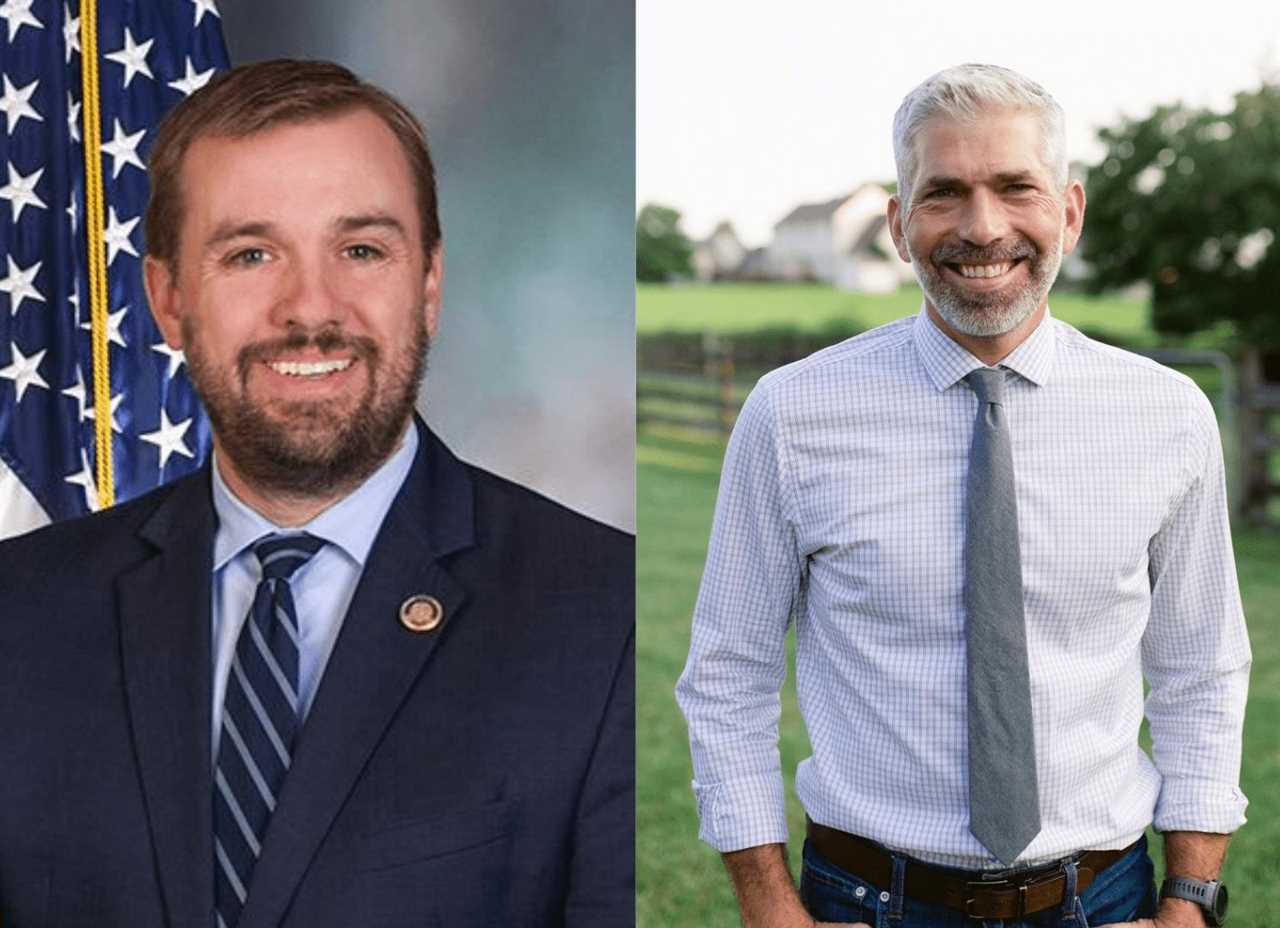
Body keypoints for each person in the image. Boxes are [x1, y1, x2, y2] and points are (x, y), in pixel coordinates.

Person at [0, 60, 633, 928]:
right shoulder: (19, 610)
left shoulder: (605, 616)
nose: (310, 308)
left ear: (430, 285)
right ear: (168, 300)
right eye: (251, 254)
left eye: (362, 249)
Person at [677, 64, 1248, 928]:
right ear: (901, 225)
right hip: (866, 901)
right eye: (944, 194)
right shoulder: (792, 415)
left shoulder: (1166, 417)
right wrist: (769, 909)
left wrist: (1191, 901)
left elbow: (1201, 667)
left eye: (1016, 187)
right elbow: (728, 673)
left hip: (1106, 897)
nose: (984, 228)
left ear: (1069, 211)